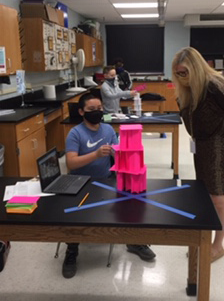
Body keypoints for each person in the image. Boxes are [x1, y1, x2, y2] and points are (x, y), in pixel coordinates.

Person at [63, 93, 156, 279]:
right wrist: (96, 155)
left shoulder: (107, 130)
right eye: (91, 110)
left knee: (132, 204)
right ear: (81, 112)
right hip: (82, 183)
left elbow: (118, 153)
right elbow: (71, 163)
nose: (96, 113)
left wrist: (123, 155)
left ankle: (133, 241)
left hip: (107, 180)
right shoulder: (75, 133)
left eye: (99, 109)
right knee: (73, 215)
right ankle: (72, 250)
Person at [172, 47, 224, 262]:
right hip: (201, 147)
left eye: (184, 72)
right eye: (177, 74)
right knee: (205, 195)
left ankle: (218, 244)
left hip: (218, 146)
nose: (181, 78)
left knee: (218, 197)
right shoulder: (189, 89)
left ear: (196, 68)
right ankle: (206, 237)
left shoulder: (214, 86)